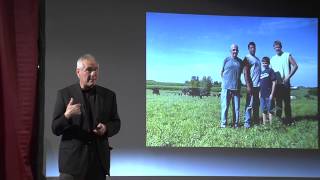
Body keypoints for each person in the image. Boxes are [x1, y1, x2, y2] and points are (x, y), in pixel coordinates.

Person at [52, 54, 121, 180]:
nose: (94, 73)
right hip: (72, 164)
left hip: (98, 163)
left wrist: (105, 128)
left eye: (96, 70)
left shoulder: (109, 95)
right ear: (78, 72)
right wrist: (67, 115)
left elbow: (116, 123)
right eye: (89, 70)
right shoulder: (64, 94)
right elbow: (55, 128)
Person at [270, 40, 298, 125]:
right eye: (275, 47)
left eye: (278, 47)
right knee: (278, 104)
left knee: (287, 103)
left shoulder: (287, 55)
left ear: (281, 47)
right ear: (274, 48)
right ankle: (279, 121)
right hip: (277, 84)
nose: (277, 48)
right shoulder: (272, 59)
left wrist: (288, 76)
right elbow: (271, 73)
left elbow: (295, 66)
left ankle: (288, 121)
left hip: (285, 83)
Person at [220, 44, 243, 128]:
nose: (235, 51)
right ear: (230, 51)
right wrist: (226, 81)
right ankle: (223, 125)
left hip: (236, 88)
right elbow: (221, 72)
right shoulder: (226, 60)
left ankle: (236, 125)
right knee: (225, 107)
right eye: (233, 50)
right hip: (226, 88)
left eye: (236, 50)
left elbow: (241, 73)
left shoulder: (240, 62)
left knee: (236, 108)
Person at [243, 42, 261, 128]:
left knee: (256, 105)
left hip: (258, 86)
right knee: (249, 105)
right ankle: (247, 123)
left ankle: (256, 122)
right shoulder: (247, 58)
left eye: (254, 47)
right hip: (251, 85)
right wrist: (248, 85)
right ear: (248, 49)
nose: (252, 49)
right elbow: (245, 73)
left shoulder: (257, 59)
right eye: (251, 48)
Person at [260, 57, 276, 125]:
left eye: (266, 63)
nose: (264, 64)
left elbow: (274, 82)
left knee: (270, 110)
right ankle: (264, 125)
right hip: (262, 95)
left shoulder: (271, 70)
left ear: (268, 63)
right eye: (263, 63)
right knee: (263, 110)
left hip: (269, 94)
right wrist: (259, 93)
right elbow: (260, 84)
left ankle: (271, 125)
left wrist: (272, 94)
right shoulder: (261, 73)